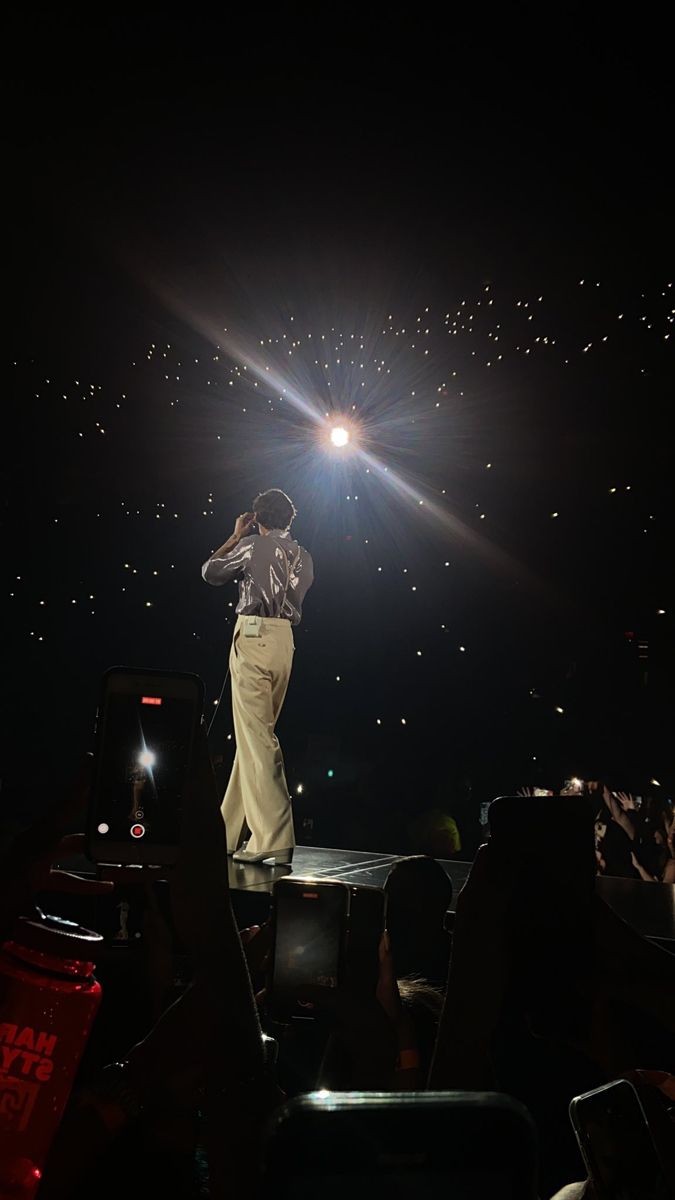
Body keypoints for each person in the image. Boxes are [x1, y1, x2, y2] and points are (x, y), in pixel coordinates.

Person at [202, 489, 314, 864]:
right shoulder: (304, 555)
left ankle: (274, 837)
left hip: (254, 636)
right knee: (253, 738)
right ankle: (224, 831)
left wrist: (235, 536)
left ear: (257, 518)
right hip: (284, 643)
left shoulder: (252, 545)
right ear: (289, 518)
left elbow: (210, 572)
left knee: (257, 739)